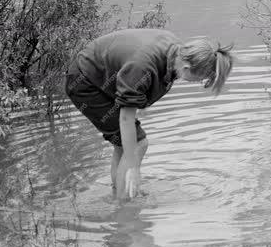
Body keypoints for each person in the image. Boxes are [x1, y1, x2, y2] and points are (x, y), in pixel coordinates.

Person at [65, 28, 234, 200]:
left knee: (123, 145)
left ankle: (121, 194)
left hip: (100, 77)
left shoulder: (175, 50)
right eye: (199, 79)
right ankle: (126, 207)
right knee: (138, 144)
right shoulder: (142, 66)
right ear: (187, 67)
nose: (198, 83)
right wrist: (133, 164)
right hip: (85, 83)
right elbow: (126, 118)